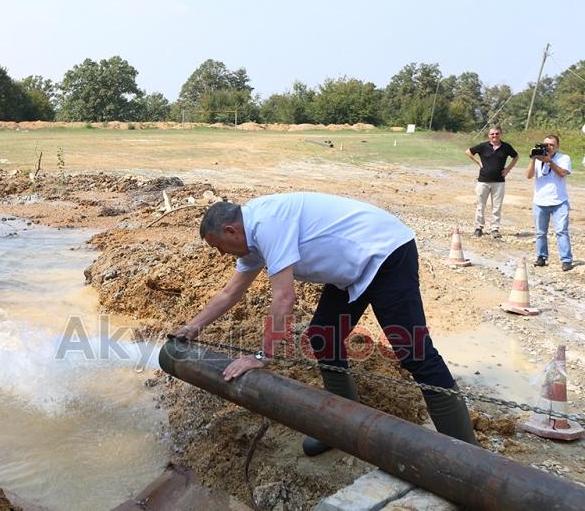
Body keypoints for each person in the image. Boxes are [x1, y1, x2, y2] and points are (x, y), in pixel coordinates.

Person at [175, 193, 479, 455]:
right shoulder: (251, 238)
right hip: (352, 267)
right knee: (323, 338)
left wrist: (260, 357)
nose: (221, 254)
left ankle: (468, 456)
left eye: (218, 247)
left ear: (230, 230)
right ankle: (342, 427)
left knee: (413, 351)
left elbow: (284, 299)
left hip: (385, 253)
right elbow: (231, 292)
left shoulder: (266, 224)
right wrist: (192, 327)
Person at [526, 134, 573, 271]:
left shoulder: (564, 158)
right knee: (540, 233)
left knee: (561, 231)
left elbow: (562, 173)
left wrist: (549, 161)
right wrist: (533, 159)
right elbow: (528, 176)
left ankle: (566, 259)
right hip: (540, 201)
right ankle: (541, 257)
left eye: (552, 145)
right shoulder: (538, 159)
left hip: (559, 201)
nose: (548, 147)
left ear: (557, 146)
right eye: (546, 144)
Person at [465, 126, 519, 239]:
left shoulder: (506, 147)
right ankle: (479, 228)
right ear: (489, 135)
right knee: (480, 205)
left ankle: (495, 229)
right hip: (483, 181)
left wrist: (508, 169)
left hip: (499, 182)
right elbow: (468, 152)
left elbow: (516, 156)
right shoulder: (483, 146)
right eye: (492, 134)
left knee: (497, 206)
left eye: (497, 133)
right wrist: (478, 162)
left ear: (501, 134)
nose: (494, 136)